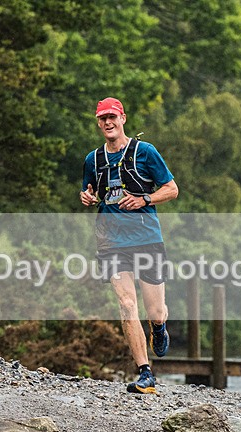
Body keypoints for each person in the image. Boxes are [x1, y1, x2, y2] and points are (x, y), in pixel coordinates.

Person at [81, 97, 179, 394]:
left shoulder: (145, 152)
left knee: (155, 311)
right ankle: (145, 372)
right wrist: (87, 198)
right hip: (110, 241)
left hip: (146, 238)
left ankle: (159, 327)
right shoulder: (92, 160)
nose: (107, 122)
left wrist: (144, 199)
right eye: (102, 119)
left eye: (112, 116)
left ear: (123, 118)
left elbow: (172, 190)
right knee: (126, 303)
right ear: (98, 123)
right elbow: (91, 191)